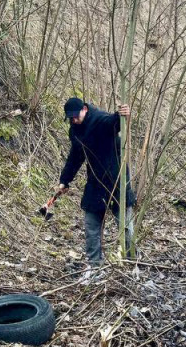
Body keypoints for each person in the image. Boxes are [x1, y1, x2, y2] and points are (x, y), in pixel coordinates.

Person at [57, 97, 137, 278]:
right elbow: (75, 157)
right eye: (70, 118)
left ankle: (132, 263)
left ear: (85, 109)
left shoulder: (100, 119)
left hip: (117, 180)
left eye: (76, 116)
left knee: (125, 226)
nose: (74, 120)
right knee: (91, 225)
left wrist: (122, 115)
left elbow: (113, 123)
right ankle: (95, 267)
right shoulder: (75, 131)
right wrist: (65, 180)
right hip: (95, 182)